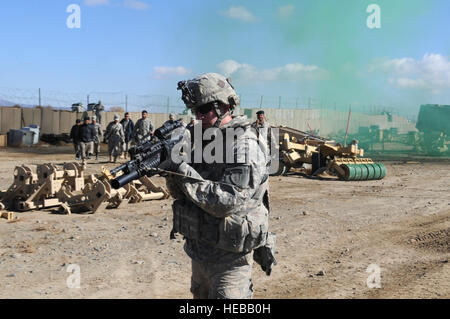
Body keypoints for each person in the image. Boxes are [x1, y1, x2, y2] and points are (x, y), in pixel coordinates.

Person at [161, 73, 276, 299]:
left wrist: (180, 168)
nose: (198, 116)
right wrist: (169, 168)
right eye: (195, 111)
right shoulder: (207, 140)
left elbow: (227, 201)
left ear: (223, 105)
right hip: (201, 249)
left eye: (203, 110)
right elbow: (182, 193)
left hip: (230, 257)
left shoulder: (245, 144)